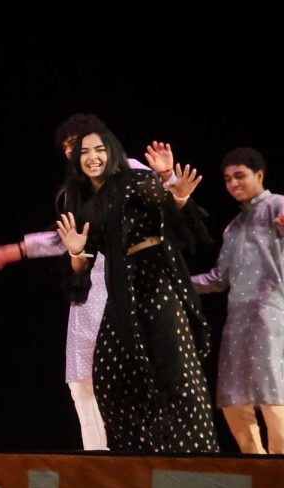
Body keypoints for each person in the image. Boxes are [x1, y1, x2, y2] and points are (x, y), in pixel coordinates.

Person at [0, 113, 176, 450]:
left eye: (79, 145)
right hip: (88, 287)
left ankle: (144, 456)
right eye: (69, 149)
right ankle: (96, 459)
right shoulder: (75, 192)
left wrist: (167, 176)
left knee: (128, 376)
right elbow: (68, 239)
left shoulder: (130, 171)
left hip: (128, 284)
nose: (75, 154)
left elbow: (167, 208)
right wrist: (20, 249)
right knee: (82, 381)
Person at [55, 128, 217, 452]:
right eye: (79, 151)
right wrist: (75, 251)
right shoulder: (83, 199)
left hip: (154, 277)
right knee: (109, 376)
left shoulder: (134, 176)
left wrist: (172, 182)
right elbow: (82, 261)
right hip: (119, 289)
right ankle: (136, 454)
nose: (89, 156)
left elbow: (168, 215)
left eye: (96, 148)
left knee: (174, 370)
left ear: (110, 149)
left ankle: (192, 455)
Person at [191, 147, 284, 454]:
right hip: (237, 322)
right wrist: (177, 283)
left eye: (240, 176)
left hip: (271, 315)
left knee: (273, 394)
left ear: (259, 175)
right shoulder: (233, 227)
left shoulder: (277, 206)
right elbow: (219, 278)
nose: (233, 184)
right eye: (228, 179)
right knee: (234, 400)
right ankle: (256, 472)